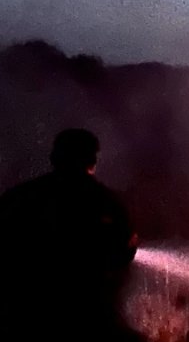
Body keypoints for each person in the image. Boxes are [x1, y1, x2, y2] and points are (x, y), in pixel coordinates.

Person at [0, 128, 138, 325]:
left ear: (54, 157)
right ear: (93, 160)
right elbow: (125, 251)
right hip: (88, 315)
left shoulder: (20, 196)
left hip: (24, 313)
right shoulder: (108, 202)